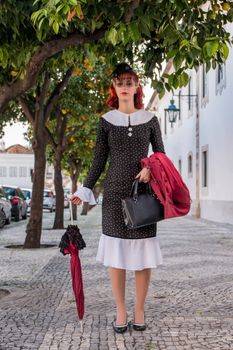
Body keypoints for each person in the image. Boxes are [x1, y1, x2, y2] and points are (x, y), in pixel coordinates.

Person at [70, 62, 165, 333]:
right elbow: (99, 160)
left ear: (137, 86)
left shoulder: (150, 119)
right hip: (113, 195)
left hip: (143, 196)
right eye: (120, 82)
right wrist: (84, 190)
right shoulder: (106, 121)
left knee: (143, 256)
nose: (125, 87)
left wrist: (149, 168)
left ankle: (139, 310)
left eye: (129, 82)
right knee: (118, 257)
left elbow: (161, 155)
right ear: (114, 86)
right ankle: (121, 312)